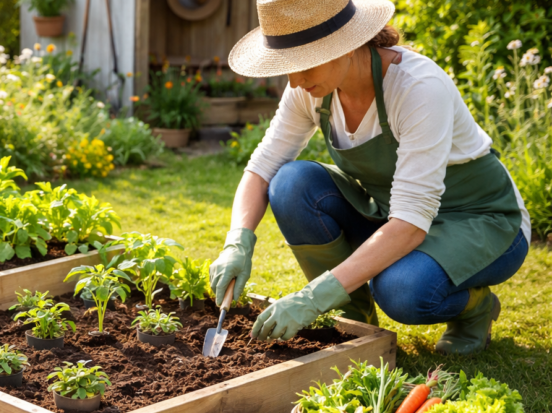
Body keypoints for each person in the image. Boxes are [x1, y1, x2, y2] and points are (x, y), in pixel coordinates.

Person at [210, 0, 529, 355]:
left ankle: (476, 309)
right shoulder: (308, 90)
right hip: (398, 214)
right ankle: (355, 321)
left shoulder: (418, 88)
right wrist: (237, 241)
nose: (295, 80)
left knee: (403, 291)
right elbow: (264, 166)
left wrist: (312, 298)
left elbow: (410, 222)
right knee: (290, 183)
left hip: (482, 220)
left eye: (304, 63)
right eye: (287, 66)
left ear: (345, 44)